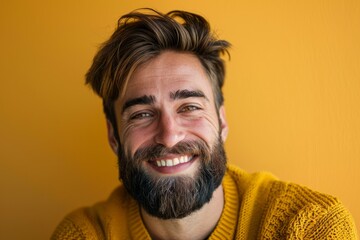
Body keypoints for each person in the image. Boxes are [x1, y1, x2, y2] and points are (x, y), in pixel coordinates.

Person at [52, 9, 358, 239]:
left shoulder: (308, 225)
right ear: (114, 136)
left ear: (222, 121)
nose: (169, 136)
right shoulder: (84, 234)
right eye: (141, 114)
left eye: (189, 107)